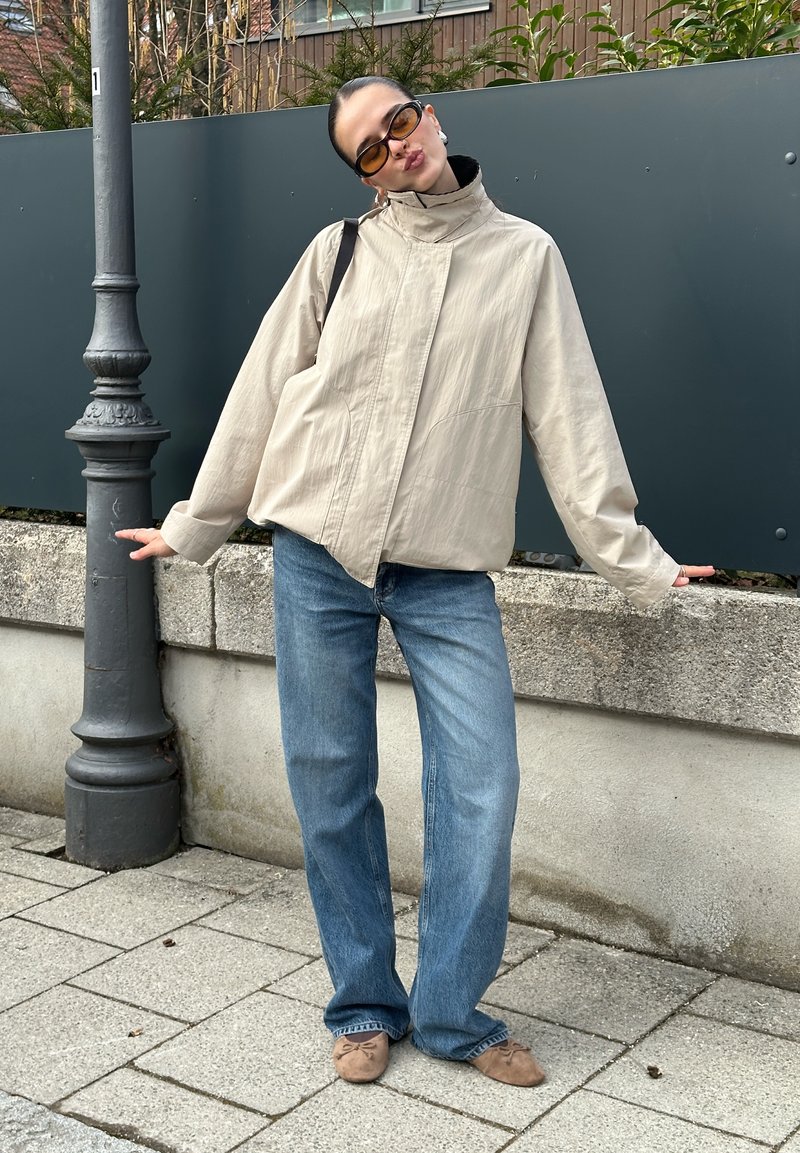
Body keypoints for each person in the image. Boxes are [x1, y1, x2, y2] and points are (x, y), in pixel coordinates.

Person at [117, 76, 714, 1088]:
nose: (393, 145)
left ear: (429, 118)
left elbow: (568, 415)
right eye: (368, 147)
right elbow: (264, 391)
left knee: (482, 785)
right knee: (330, 784)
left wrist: (635, 559)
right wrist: (196, 524)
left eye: (399, 121)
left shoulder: (524, 256)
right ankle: (362, 1004)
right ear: (366, 176)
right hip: (316, 553)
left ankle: (449, 1014)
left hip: (446, 572)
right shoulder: (337, 252)